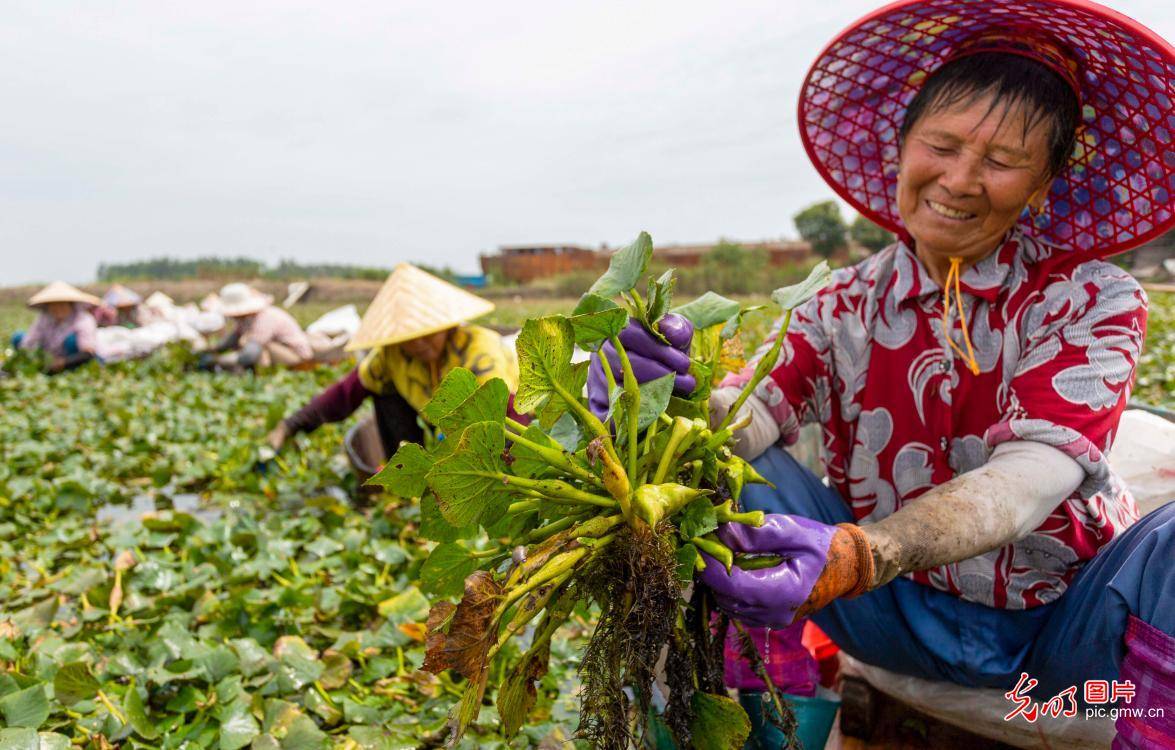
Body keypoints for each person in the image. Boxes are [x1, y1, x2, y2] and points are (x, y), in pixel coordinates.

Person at [590, 2, 1174, 745]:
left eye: (999, 162)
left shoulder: (1092, 298)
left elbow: (1032, 475)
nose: (959, 180)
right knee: (721, 469)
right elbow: (752, 415)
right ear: (899, 149)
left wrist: (867, 551)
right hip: (883, 614)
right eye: (940, 145)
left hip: (1054, 634)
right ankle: (752, 724)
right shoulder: (836, 302)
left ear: (1040, 185)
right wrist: (659, 406)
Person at [266, 263, 521, 456]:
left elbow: (506, 413)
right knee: (382, 390)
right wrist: (291, 425)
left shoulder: (477, 348)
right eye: (408, 337)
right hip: (442, 431)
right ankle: (403, 471)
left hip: (505, 428)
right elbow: (347, 392)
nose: (418, 343)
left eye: (427, 333)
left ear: (446, 325)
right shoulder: (392, 355)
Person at [205, 283, 313, 370]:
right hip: (280, 351)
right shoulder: (245, 320)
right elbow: (230, 341)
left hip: (296, 357)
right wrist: (208, 350)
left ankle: (264, 378)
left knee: (260, 349)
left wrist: (217, 360)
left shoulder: (264, 318)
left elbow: (249, 355)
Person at [12, 281, 101, 374]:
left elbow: (88, 353)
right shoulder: (44, 318)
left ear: (70, 304)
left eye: (62, 304)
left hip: (75, 359)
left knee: (71, 340)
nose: (57, 308)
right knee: (18, 337)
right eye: (53, 305)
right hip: (51, 356)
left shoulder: (83, 319)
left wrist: (63, 362)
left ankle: (70, 370)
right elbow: (29, 341)